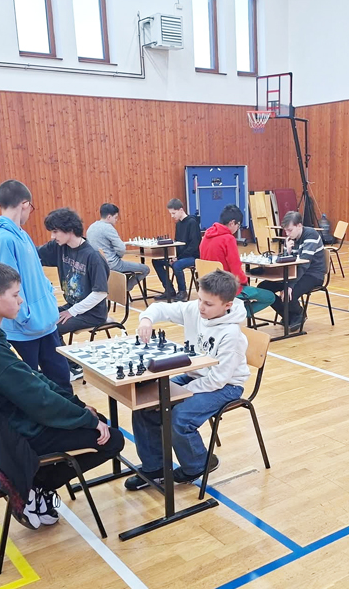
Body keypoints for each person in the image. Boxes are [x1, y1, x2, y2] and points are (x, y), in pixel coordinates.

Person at [0, 259, 123, 529]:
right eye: (15, 295)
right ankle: (32, 486)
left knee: (96, 421)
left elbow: (34, 379)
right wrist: (85, 418)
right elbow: (39, 401)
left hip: (6, 423)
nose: (20, 301)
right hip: (16, 433)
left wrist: (78, 406)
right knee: (112, 439)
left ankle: (34, 484)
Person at [126, 270, 249, 489]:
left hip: (227, 386)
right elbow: (161, 308)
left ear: (227, 305)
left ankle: (198, 464)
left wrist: (181, 394)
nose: (201, 307)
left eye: (208, 304)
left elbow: (217, 380)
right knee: (145, 404)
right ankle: (154, 468)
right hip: (196, 374)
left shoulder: (232, 335)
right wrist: (146, 319)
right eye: (200, 299)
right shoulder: (196, 309)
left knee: (179, 417)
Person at [0, 180, 72, 390]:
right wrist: (25, 317)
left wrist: (49, 299)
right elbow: (7, 285)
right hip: (24, 329)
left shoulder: (22, 234)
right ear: (25, 204)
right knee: (30, 388)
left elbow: (37, 274)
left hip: (45, 324)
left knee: (61, 380)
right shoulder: (4, 239)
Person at [38, 208, 110, 381]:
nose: (52, 236)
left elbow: (100, 293)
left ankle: (72, 367)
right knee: (41, 321)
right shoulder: (59, 247)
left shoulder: (92, 256)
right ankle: (56, 364)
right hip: (72, 306)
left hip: (92, 313)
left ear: (69, 230)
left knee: (52, 329)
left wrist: (72, 311)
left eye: (55, 231)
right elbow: (34, 254)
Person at [199, 204, 274, 316]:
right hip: (227, 288)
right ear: (232, 223)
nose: (238, 228)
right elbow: (235, 269)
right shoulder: (228, 239)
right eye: (238, 225)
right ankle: (236, 315)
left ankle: (230, 313)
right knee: (270, 297)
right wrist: (245, 282)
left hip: (208, 287)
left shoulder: (205, 237)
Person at [257, 211, 326, 332]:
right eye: (286, 231)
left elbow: (304, 264)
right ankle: (289, 315)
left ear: (299, 226)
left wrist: (289, 285)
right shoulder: (290, 238)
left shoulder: (311, 235)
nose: (287, 234)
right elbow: (285, 263)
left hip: (313, 274)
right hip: (293, 273)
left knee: (289, 294)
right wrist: (287, 252)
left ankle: (299, 314)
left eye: (290, 230)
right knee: (263, 288)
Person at [85, 203, 149, 291]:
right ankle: (125, 289)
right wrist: (118, 256)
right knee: (145, 269)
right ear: (109, 217)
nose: (116, 220)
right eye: (115, 218)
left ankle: (121, 287)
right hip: (113, 265)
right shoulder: (108, 228)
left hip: (97, 265)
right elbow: (121, 248)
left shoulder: (91, 227)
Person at [152, 199, 201, 302]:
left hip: (193, 256)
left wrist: (178, 258)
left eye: (173, 213)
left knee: (177, 265)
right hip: (180, 256)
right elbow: (177, 243)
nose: (172, 216)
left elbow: (194, 245)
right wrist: (173, 256)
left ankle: (182, 291)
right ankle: (169, 289)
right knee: (156, 261)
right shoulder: (178, 224)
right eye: (171, 213)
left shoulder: (192, 223)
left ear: (181, 210)